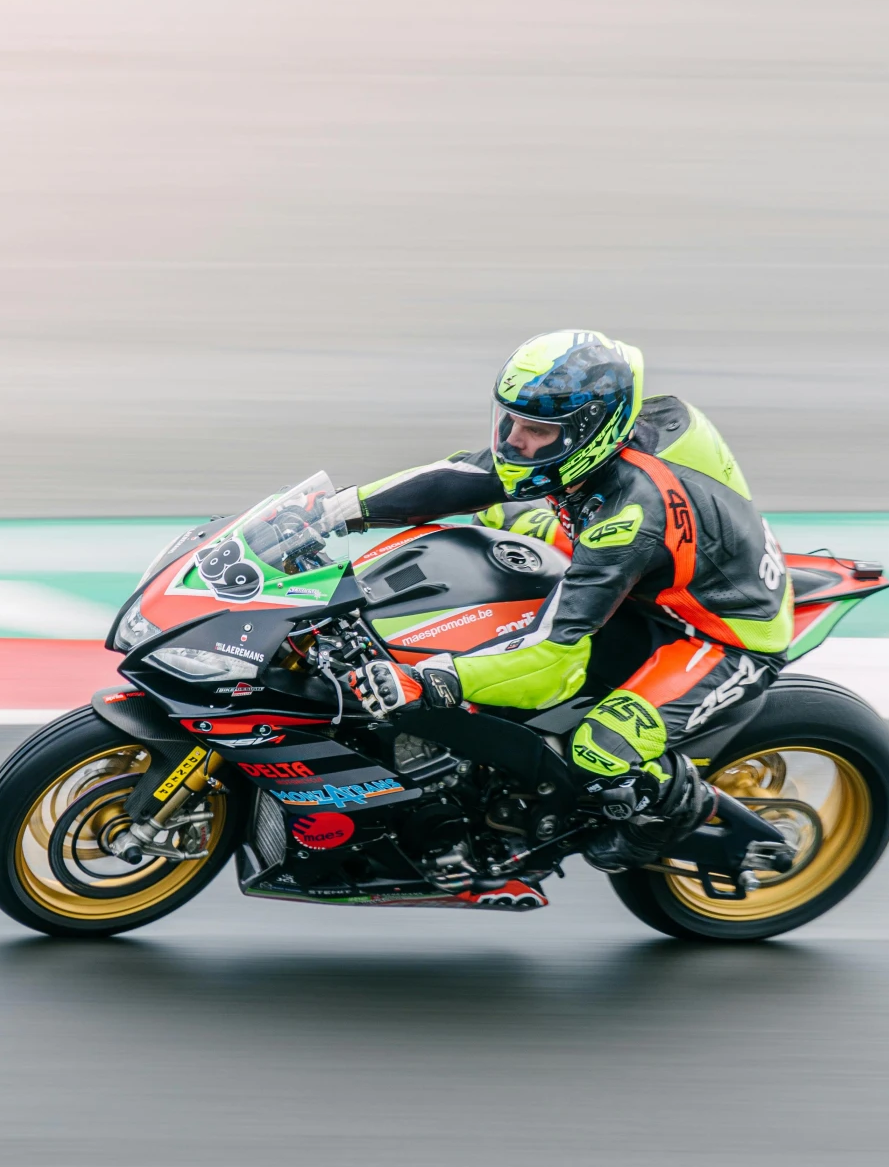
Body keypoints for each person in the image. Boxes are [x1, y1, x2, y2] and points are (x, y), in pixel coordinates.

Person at [329, 330, 792, 867]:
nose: (514, 440)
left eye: (536, 430)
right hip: (650, 574)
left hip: (719, 634)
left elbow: (555, 665)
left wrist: (433, 681)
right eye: (510, 421)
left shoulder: (628, 516)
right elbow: (461, 479)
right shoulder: (606, 440)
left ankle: (669, 818)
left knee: (599, 749)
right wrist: (335, 510)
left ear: (589, 433)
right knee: (496, 519)